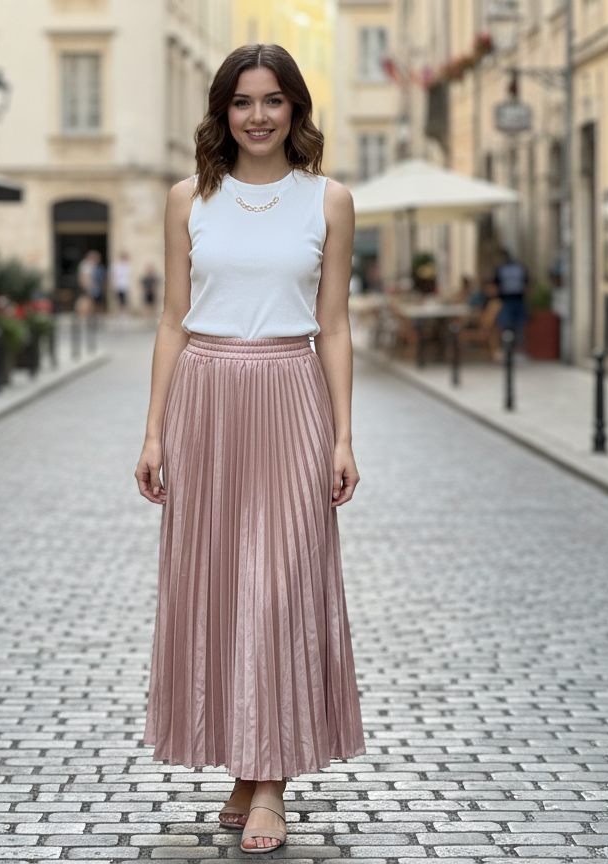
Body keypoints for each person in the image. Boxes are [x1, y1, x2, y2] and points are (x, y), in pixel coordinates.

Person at [134, 43, 365, 855]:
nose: (257, 116)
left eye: (272, 100)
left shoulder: (329, 200)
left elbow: (334, 325)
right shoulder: (187, 199)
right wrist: (154, 430)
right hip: (205, 398)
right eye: (242, 101)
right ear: (221, 112)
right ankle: (245, 765)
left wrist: (342, 435)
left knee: (281, 585)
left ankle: (270, 782)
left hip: (292, 393)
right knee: (221, 585)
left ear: (295, 108)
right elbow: (172, 319)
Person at [491, 248, 529, 355]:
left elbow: (495, 286)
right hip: (519, 300)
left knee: (504, 325)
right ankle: (519, 349)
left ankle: (505, 348)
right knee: (519, 327)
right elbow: (527, 284)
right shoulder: (519, 268)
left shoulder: (501, 269)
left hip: (507, 301)